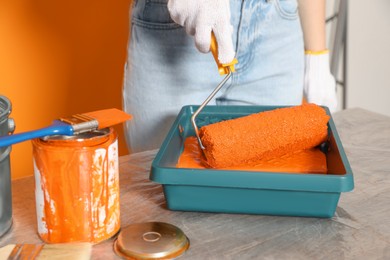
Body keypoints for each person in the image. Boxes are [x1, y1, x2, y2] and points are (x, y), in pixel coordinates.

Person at [123, 0, 337, 153]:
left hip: (276, 30)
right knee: (164, 196)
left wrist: (316, 55)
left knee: (265, 191)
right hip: (175, 33)